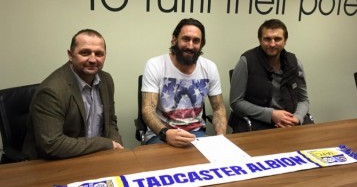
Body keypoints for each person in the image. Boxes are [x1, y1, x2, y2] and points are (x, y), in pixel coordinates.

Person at [23, 29, 124, 159]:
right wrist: (105, 143)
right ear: (70, 55)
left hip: (96, 156)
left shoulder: (106, 80)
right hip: (55, 163)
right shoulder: (52, 90)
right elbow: (52, 145)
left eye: (99, 54)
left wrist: (117, 146)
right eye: (85, 53)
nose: (93, 59)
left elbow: (110, 121)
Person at [141, 18, 227, 147]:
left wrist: (221, 139)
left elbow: (218, 108)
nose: (191, 45)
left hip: (196, 134)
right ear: (174, 39)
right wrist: (166, 133)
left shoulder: (210, 67)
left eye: (196, 41)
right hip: (161, 134)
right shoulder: (155, 65)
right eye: (186, 39)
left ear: (201, 44)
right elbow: (148, 109)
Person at [229, 19, 312, 133]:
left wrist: (296, 118)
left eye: (277, 39)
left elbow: (303, 100)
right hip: (258, 123)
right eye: (267, 39)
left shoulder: (295, 62)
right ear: (260, 40)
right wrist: (271, 114)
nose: (272, 44)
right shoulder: (246, 61)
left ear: (285, 40)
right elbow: (236, 102)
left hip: (290, 122)